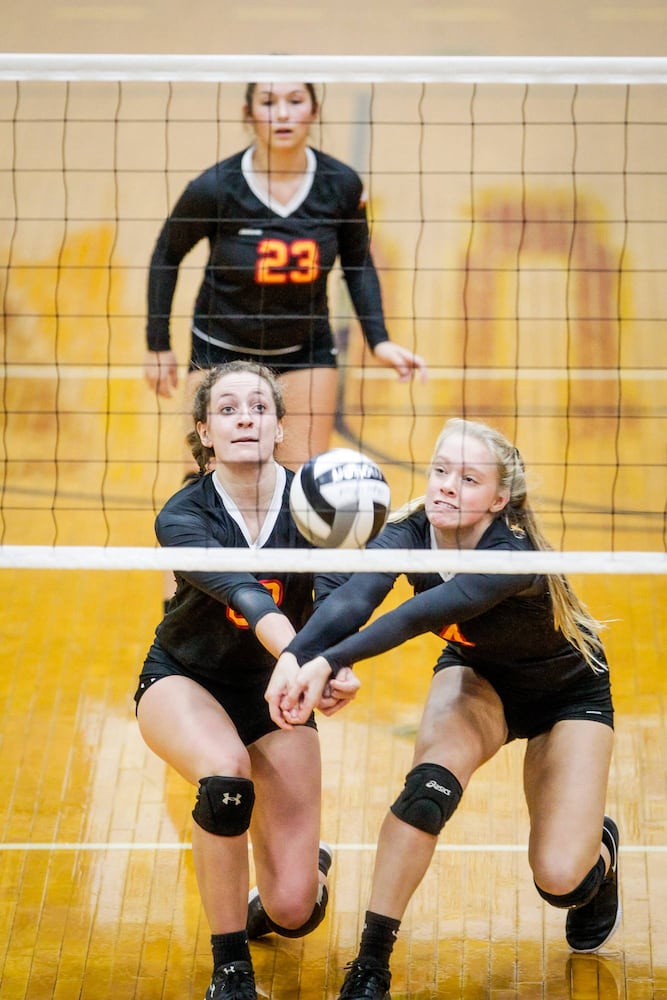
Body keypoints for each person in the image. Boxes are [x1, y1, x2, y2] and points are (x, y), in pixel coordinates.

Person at [266, 417, 620, 1000]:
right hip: (478, 677)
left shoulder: (511, 554)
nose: (448, 486)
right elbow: (354, 597)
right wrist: (299, 655)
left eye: (469, 478)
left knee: (561, 880)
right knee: (427, 792)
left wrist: (325, 665)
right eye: (440, 471)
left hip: (567, 695)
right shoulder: (409, 530)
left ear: (499, 498)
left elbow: (414, 618)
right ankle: (371, 963)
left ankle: (598, 855)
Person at [134, 361, 358, 1000]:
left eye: (259, 407)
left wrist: (335, 661)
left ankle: (297, 879)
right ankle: (230, 969)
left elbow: (338, 598)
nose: (244, 418)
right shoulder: (182, 515)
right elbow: (248, 596)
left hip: (276, 695)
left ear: (281, 426)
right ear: (204, 431)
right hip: (185, 680)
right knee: (226, 776)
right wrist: (304, 659)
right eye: (227, 409)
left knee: (295, 910)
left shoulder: (317, 505)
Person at [144, 80, 427, 469]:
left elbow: (357, 262)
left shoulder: (340, 185)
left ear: (313, 110)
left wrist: (379, 340)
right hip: (220, 347)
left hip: (303, 351)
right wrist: (157, 345)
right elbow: (166, 253)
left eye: (295, 101)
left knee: (301, 489)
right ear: (248, 113)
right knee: (207, 486)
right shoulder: (215, 187)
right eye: (268, 102)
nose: (282, 113)